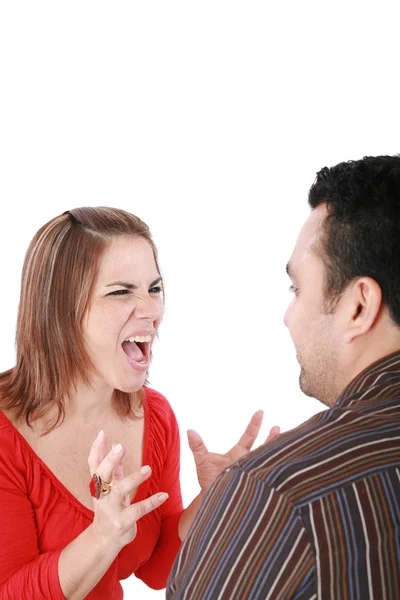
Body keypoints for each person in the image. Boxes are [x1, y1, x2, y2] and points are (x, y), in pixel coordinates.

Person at [0, 207, 279, 600]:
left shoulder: (155, 415)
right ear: (59, 310)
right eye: (121, 291)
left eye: (154, 288)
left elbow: (155, 568)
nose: (152, 312)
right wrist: (102, 536)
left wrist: (211, 501)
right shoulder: (5, 437)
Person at [167, 155, 400, 599]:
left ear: (358, 307)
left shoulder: (278, 496)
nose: (288, 316)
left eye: (297, 289)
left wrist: (244, 506)